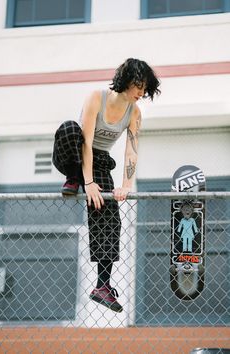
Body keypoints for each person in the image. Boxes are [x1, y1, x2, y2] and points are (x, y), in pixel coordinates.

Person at [52, 58, 160, 313]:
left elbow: (131, 151)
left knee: (110, 215)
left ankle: (102, 286)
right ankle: (72, 179)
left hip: (99, 163)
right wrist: (86, 182)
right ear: (127, 80)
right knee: (70, 129)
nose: (142, 93)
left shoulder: (134, 112)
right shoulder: (96, 98)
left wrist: (124, 185)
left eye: (145, 89)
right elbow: (86, 142)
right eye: (140, 86)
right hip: (73, 153)